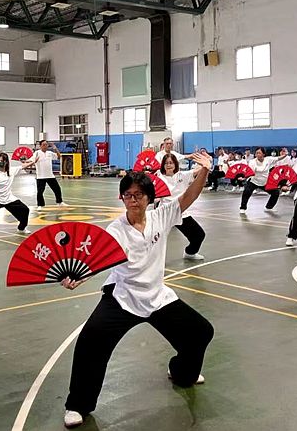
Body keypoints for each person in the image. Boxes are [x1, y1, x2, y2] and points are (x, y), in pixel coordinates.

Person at [59, 151, 215, 428]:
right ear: (121, 198)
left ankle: (181, 372)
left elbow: (189, 196)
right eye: (128, 195)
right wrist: (78, 278)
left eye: (138, 195)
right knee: (90, 343)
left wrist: (204, 171)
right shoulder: (115, 230)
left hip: (157, 297)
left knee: (201, 332)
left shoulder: (162, 216)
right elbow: (97, 259)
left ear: (149, 198)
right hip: (123, 297)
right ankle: (78, 405)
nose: (133, 200)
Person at [156, 153, 206, 260]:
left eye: (171, 163)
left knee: (199, 235)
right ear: (163, 165)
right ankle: (152, 260)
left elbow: (198, 170)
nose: (169, 165)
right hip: (164, 213)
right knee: (156, 238)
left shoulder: (183, 175)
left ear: (175, 164)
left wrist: (205, 162)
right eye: (166, 163)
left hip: (181, 211)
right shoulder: (159, 177)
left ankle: (190, 253)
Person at [239, 147, 288, 214]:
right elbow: (250, 172)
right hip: (254, 181)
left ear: (263, 154)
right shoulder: (252, 162)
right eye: (256, 153)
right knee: (246, 192)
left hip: (265, 182)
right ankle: (242, 208)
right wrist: (244, 178)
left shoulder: (268, 160)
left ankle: (269, 207)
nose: (257, 154)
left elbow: (278, 158)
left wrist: (285, 155)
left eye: (259, 153)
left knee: (276, 192)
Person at [28, 140, 66, 209]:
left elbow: (59, 156)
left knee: (57, 189)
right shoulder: (37, 153)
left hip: (50, 175)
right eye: (44, 145)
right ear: (40, 146)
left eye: (46, 145)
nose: (45, 146)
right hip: (40, 176)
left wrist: (55, 149)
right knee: (40, 192)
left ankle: (60, 202)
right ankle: (40, 205)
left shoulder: (50, 153)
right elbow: (30, 161)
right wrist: (26, 161)